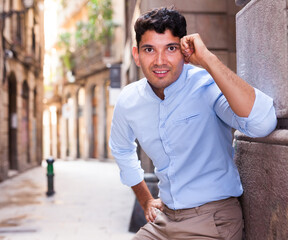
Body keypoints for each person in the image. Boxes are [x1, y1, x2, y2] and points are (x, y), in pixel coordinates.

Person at [109, 7, 277, 240]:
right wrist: (145, 198)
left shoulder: (206, 85)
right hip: (164, 220)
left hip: (213, 220)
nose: (159, 61)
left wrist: (208, 59)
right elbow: (121, 148)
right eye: (150, 49)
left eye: (170, 48)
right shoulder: (129, 100)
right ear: (137, 55)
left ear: (184, 52)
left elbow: (263, 124)